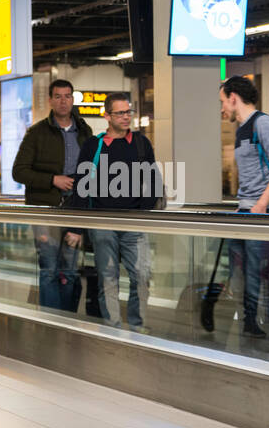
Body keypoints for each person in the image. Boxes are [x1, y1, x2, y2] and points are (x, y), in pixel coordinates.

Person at [72, 94, 160, 331]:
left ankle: (137, 327)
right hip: (103, 223)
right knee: (108, 278)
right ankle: (113, 328)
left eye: (128, 112)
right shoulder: (94, 145)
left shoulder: (141, 143)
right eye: (120, 113)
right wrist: (75, 227)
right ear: (107, 115)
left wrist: (143, 212)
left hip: (134, 223)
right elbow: (82, 185)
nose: (125, 117)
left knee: (141, 277)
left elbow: (153, 182)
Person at [219, 75, 269, 338]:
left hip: (264, 212)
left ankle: (256, 325)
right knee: (240, 271)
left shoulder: (263, 123)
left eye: (223, 102)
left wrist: (260, 205)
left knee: (255, 272)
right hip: (246, 210)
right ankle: (250, 321)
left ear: (233, 98)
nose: (222, 108)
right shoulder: (242, 129)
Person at [11, 78, 93, 312]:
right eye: (58, 96)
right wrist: (53, 180)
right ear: (50, 100)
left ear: (73, 99)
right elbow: (19, 171)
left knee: (70, 269)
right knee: (48, 268)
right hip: (45, 210)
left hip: (74, 208)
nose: (63, 101)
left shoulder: (84, 131)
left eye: (67, 96)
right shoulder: (36, 133)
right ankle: (51, 322)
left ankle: (66, 320)